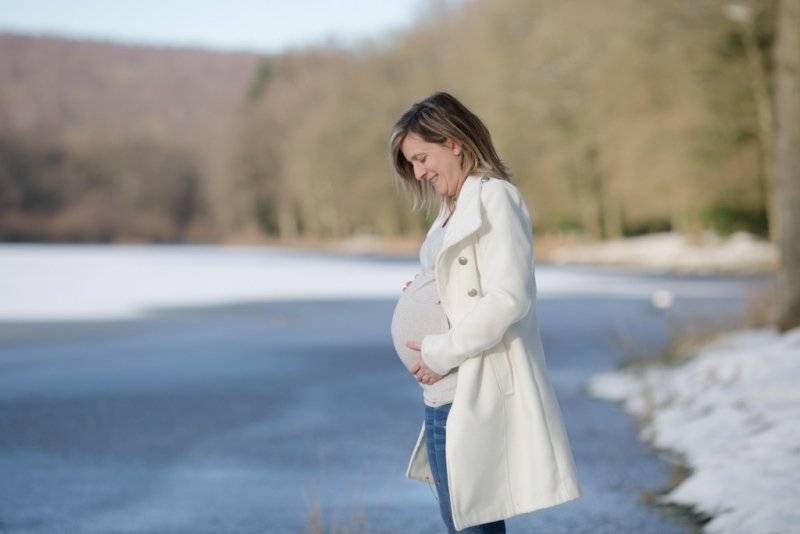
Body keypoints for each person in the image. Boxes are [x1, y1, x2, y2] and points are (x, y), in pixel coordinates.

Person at [388, 92, 582, 533]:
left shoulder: (496, 198)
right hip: (443, 397)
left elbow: (508, 298)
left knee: (472, 526)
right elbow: (463, 280)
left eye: (421, 158)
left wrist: (439, 352)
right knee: (465, 525)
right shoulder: (452, 206)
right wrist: (425, 287)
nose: (418, 173)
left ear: (454, 141)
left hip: (468, 390)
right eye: (412, 164)